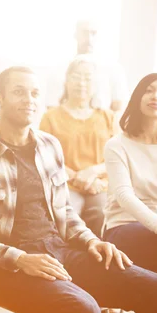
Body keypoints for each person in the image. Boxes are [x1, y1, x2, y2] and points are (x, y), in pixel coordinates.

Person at [0, 66, 157, 313]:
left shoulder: (49, 146)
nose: (28, 100)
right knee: (83, 310)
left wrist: (91, 240)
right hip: (5, 268)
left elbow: (64, 210)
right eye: (19, 92)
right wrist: (20, 258)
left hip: (59, 251)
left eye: (34, 93)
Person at [39, 55, 115, 236]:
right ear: (66, 81)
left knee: (104, 216)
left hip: (99, 185)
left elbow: (118, 157)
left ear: (95, 85)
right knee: (66, 216)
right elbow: (44, 157)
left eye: (87, 78)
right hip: (64, 184)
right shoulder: (51, 117)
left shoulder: (108, 116)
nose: (81, 83)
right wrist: (77, 177)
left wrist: (92, 173)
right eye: (76, 76)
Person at [103, 73, 157, 279]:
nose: (156, 96)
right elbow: (124, 196)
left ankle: (152, 309)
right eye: (148, 91)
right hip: (124, 227)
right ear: (137, 98)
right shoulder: (117, 145)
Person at [46, 20, 128, 114]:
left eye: (93, 33)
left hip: (101, 126)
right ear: (76, 35)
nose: (89, 39)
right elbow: (51, 106)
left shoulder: (114, 69)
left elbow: (118, 107)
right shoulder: (59, 69)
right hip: (65, 126)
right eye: (84, 33)